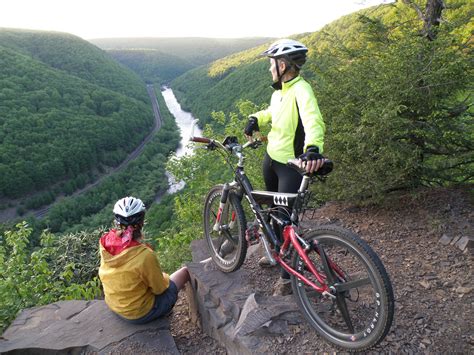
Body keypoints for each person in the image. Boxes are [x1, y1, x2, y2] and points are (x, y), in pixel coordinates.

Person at [244, 39, 326, 296]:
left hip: (290, 166)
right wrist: (255, 117)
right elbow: (273, 111)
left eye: (271, 64)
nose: (269, 70)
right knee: (273, 214)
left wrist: (313, 148)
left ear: (282, 65)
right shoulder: (279, 91)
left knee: (286, 220)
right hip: (271, 161)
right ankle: (276, 254)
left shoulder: (302, 90)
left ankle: (287, 279)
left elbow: (314, 120)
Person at [99, 196, 190, 324]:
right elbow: (160, 289)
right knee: (185, 271)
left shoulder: (106, 241)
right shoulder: (144, 255)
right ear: (142, 222)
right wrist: (164, 276)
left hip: (115, 305)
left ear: (117, 222)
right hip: (138, 313)